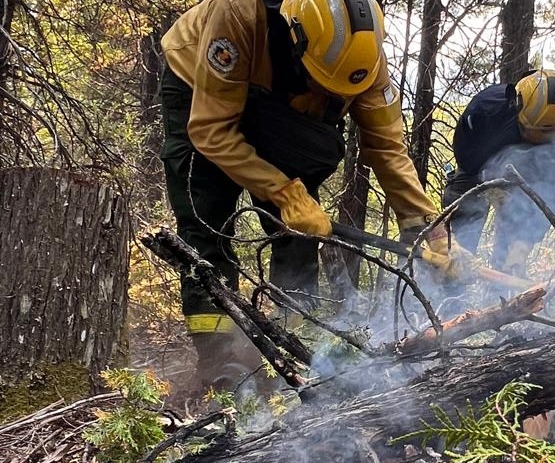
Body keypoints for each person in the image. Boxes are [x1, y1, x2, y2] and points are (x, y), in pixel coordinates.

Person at [159, 0, 462, 394]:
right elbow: (211, 132)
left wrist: (427, 227)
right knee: (206, 214)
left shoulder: (365, 59)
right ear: (295, 37)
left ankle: (292, 346)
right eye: (323, 85)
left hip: (282, 101)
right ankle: (220, 365)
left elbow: (388, 147)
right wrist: (284, 193)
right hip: (200, 85)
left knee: (301, 230)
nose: (328, 95)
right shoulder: (239, 15)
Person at [442, 69, 555, 278]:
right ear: (516, 108)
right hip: (476, 165)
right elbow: (468, 163)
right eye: (533, 133)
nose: (537, 143)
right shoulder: (484, 112)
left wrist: (522, 246)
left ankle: (501, 283)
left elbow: (553, 195)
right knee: (460, 234)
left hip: (526, 176)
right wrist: (490, 188)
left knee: (516, 229)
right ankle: (450, 284)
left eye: (548, 137)